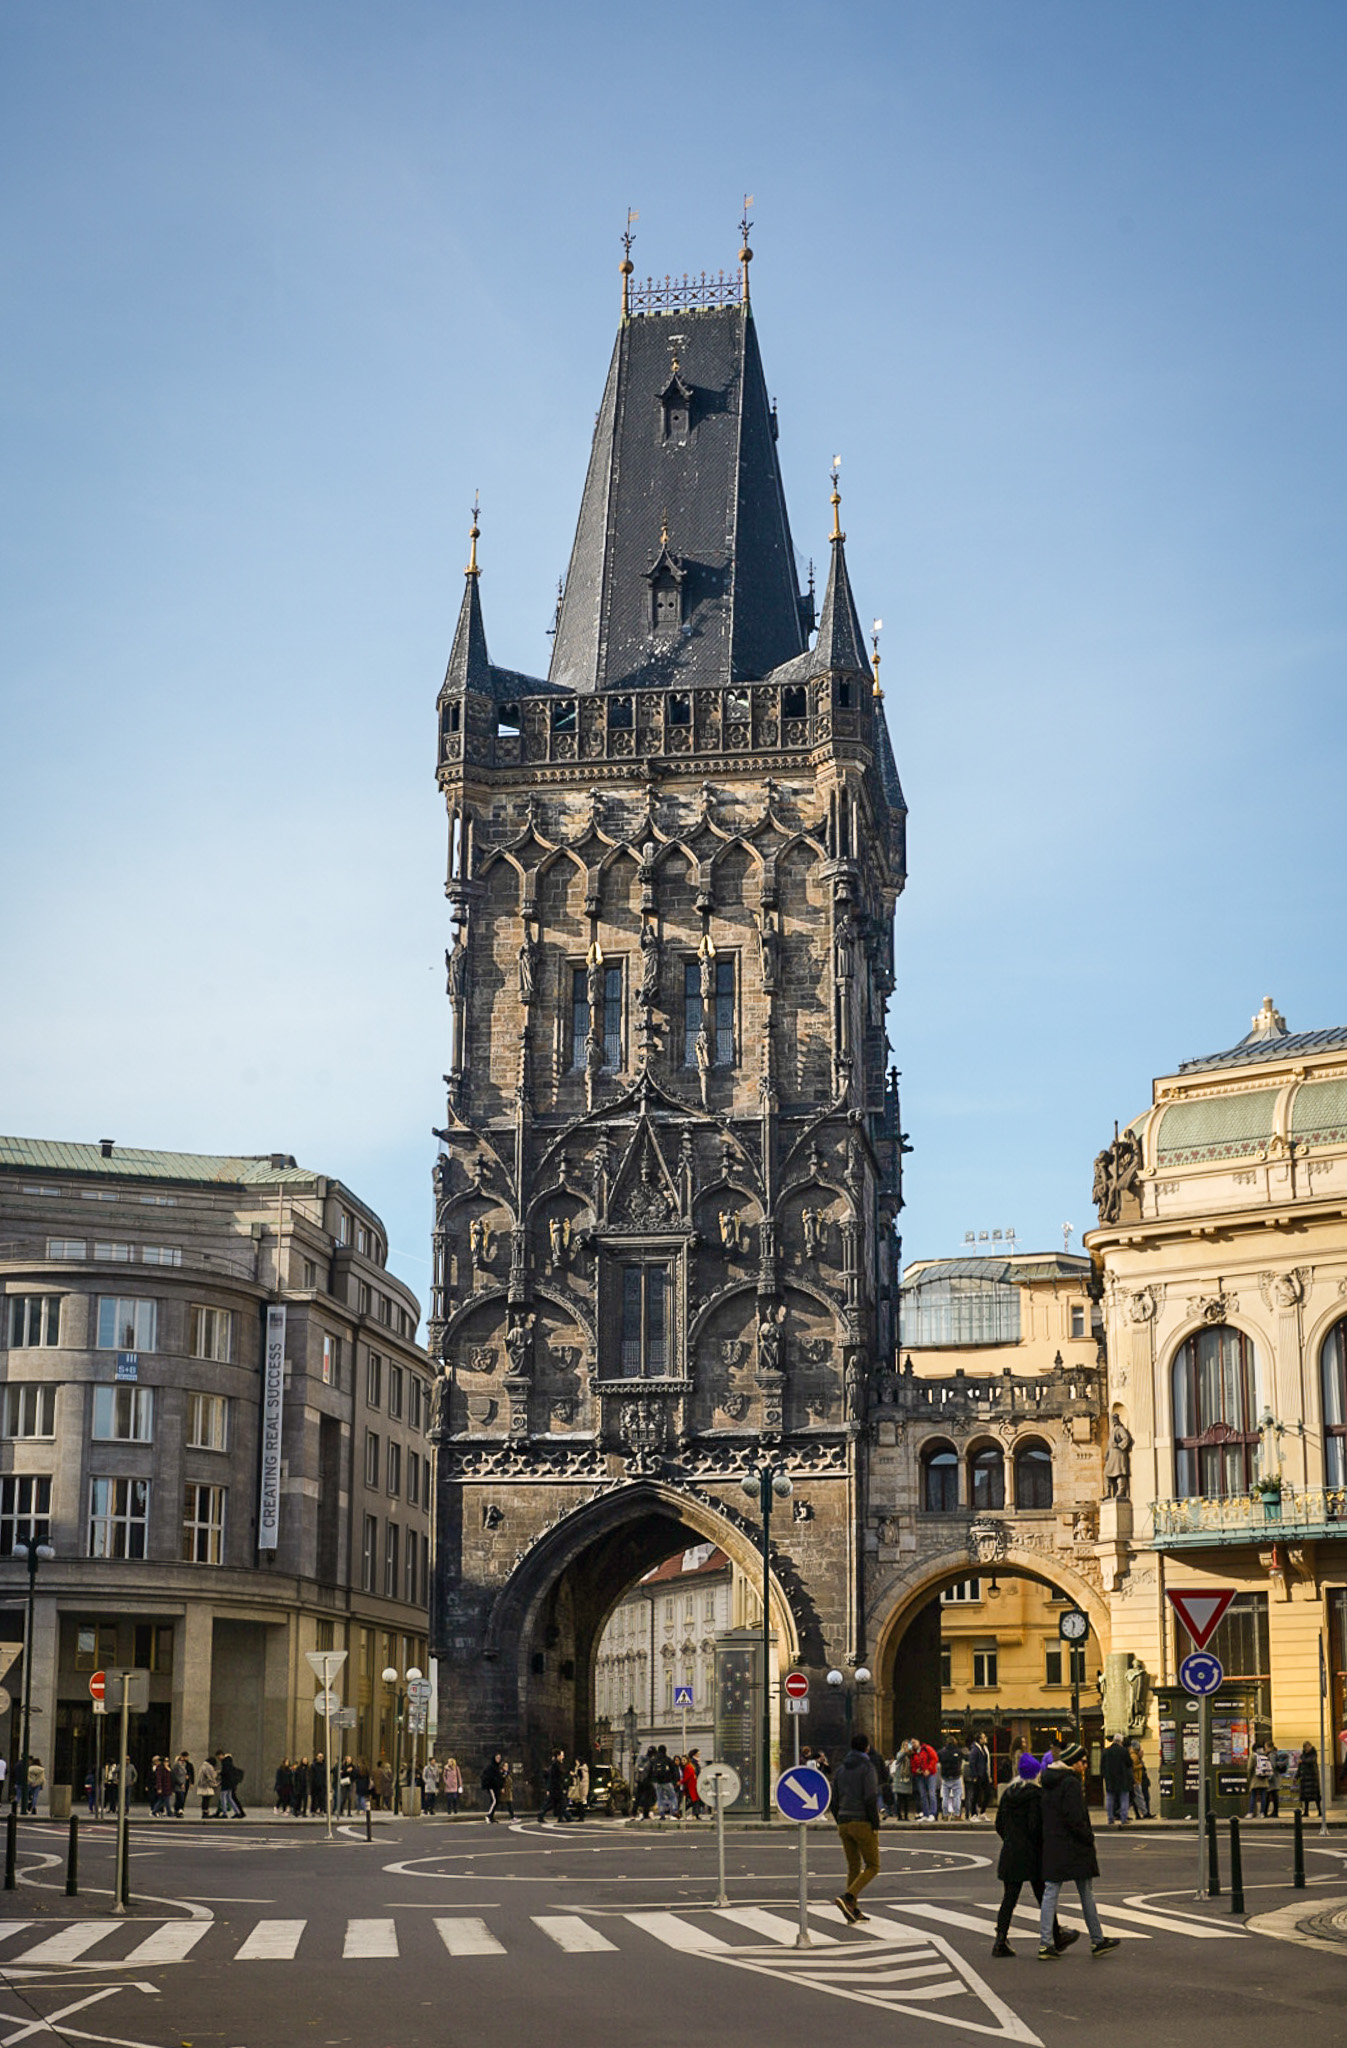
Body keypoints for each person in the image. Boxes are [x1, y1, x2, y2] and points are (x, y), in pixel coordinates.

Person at [989, 1753, 1077, 1958]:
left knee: (1009, 1898)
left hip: (1011, 1852)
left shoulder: (1009, 1794)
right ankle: (1055, 1934)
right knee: (1043, 1896)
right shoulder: (1036, 1796)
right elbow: (1035, 1827)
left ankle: (1000, 1939)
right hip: (1032, 1854)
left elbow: (999, 1824)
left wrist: (1010, 1839)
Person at [1038, 1742, 1120, 1959]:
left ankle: (1046, 1943)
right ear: (1074, 1763)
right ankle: (1097, 1940)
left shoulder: (1048, 1782)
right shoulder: (1071, 1783)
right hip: (1074, 1846)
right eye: (1083, 1762)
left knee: (1050, 1892)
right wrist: (1088, 1838)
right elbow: (1076, 1818)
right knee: (1086, 1893)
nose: (1086, 1766)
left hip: (1053, 1844)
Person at [832, 1731, 882, 1924]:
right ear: (867, 1748)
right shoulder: (867, 1767)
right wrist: (875, 1823)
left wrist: (839, 1819)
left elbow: (834, 1798)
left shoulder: (841, 1769)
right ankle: (849, 1897)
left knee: (853, 1866)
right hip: (862, 1820)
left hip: (844, 1821)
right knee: (873, 1865)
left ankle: (853, 1910)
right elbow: (870, 1796)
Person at [1102, 1734, 1132, 1826]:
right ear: (1121, 1741)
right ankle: (1123, 1818)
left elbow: (1102, 1766)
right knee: (1124, 1799)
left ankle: (1110, 1818)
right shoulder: (1123, 1751)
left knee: (1110, 1799)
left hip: (1110, 1779)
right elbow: (1129, 1763)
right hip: (1122, 1779)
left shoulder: (1106, 1751)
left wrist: (1105, 1776)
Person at [911, 1738, 940, 1823]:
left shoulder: (927, 1748)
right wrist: (916, 1770)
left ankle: (932, 1814)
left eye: (914, 1742)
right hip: (920, 1775)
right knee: (923, 1795)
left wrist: (929, 1769)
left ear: (918, 1741)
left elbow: (934, 1758)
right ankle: (925, 1814)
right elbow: (912, 1765)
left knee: (931, 1794)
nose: (913, 1744)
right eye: (912, 1743)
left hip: (930, 1774)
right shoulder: (913, 1753)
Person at [938, 1737, 965, 1820]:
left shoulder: (941, 1752)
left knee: (945, 1797)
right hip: (956, 1776)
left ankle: (945, 1815)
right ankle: (957, 1815)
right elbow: (962, 1759)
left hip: (945, 1777)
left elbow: (938, 1761)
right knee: (957, 1797)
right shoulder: (959, 1752)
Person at [538, 1747, 567, 1824]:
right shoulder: (556, 1765)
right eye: (562, 1755)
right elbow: (555, 1777)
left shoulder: (556, 1765)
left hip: (555, 1788)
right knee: (558, 1803)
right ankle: (541, 1815)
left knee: (555, 1803)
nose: (563, 1757)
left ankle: (559, 1817)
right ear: (558, 1756)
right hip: (556, 1788)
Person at [967, 1735, 992, 1819]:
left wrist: (989, 1775)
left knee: (988, 1793)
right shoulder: (975, 1750)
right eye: (984, 1737)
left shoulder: (985, 1748)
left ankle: (982, 1812)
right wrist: (974, 1775)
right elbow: (972, 1763)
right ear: (979, 1740)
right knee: (976, 1794)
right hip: (978, 1775)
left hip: (984, 1774)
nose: (986, 1738)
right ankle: (974, 1814)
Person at [1248, 1740, 1275, 1817]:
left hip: (1255, 1778)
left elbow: (1249, 1768)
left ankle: (1250, 1812)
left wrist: (1249, 1777)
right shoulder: (1265, 1755)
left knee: (1253, 1795)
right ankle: (1262, 1813)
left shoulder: (1253, 1756)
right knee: (1263, 1795)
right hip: (1264, 1778)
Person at [1298, 1742, 1323, 1819]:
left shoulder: (1313, 1754)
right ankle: (1306, 1811)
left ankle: (1320, 1811)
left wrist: (1303, 1761)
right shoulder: (1302, 1755)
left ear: (1310, 1747)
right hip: (1305, 1778)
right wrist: (1297, 1776)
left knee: (1316, 1796)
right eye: (1305, 1747)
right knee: (1306, 1797)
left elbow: (1311, 1760)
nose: (1306, 1749)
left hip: (1312, 1778)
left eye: (1307, 1747)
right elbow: (1300, 1767)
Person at [891, 1740, 914, 1822]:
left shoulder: (911, 1756)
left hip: (907, 1779)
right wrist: (905, 1752)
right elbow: (899, 1758)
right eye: (905, 1745)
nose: (906, 1747)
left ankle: (906, 1816)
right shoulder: (900, 1754)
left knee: (906, 1800)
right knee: (899, 1800)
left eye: (908, 1745)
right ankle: (899, 1816)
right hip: (900, 1779)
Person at [482, 1752, 508, 1823]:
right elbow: (489, 1777)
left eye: (499, 1758)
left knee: (496, 1801)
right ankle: (489, 1815)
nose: (498, 1759)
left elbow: (499, 1778)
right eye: (497, 1758)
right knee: (495, 1801)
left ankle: (491, 1816)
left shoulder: (497, 1767)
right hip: (492, 1787)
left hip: (496, 1787)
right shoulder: (491, 1767)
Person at [568, 1756, 590, 1821]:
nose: (576, 1763)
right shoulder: (585, 1769)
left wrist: (573, 1774)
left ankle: (581, 1817)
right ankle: (581, 1816)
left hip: (580, 1787)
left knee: (579, 1802)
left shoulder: (580, 1769)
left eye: (577, 1761)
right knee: (582, 1801)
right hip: (585, 1786)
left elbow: (579, 1777)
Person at [197, 1753, 219, 1818]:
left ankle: (204, 1812)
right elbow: (211, 1776)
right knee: (207, 1800)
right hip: (207, 1786)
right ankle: (205, 1813)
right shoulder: (209, 1767)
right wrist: (216, 1773)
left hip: (202, 1785)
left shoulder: (203, 1766)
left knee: (204, 1800)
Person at [173, 1752, 194, 1817]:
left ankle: (180, 1809)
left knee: (183, 1796)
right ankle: (178, 1809)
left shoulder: (189, 1765)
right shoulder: (177, 1765)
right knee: (179, 1796)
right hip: (179, 1783)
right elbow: (174, 1775)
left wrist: (191, 1782)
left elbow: (192, 1773)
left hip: (186, 1782)